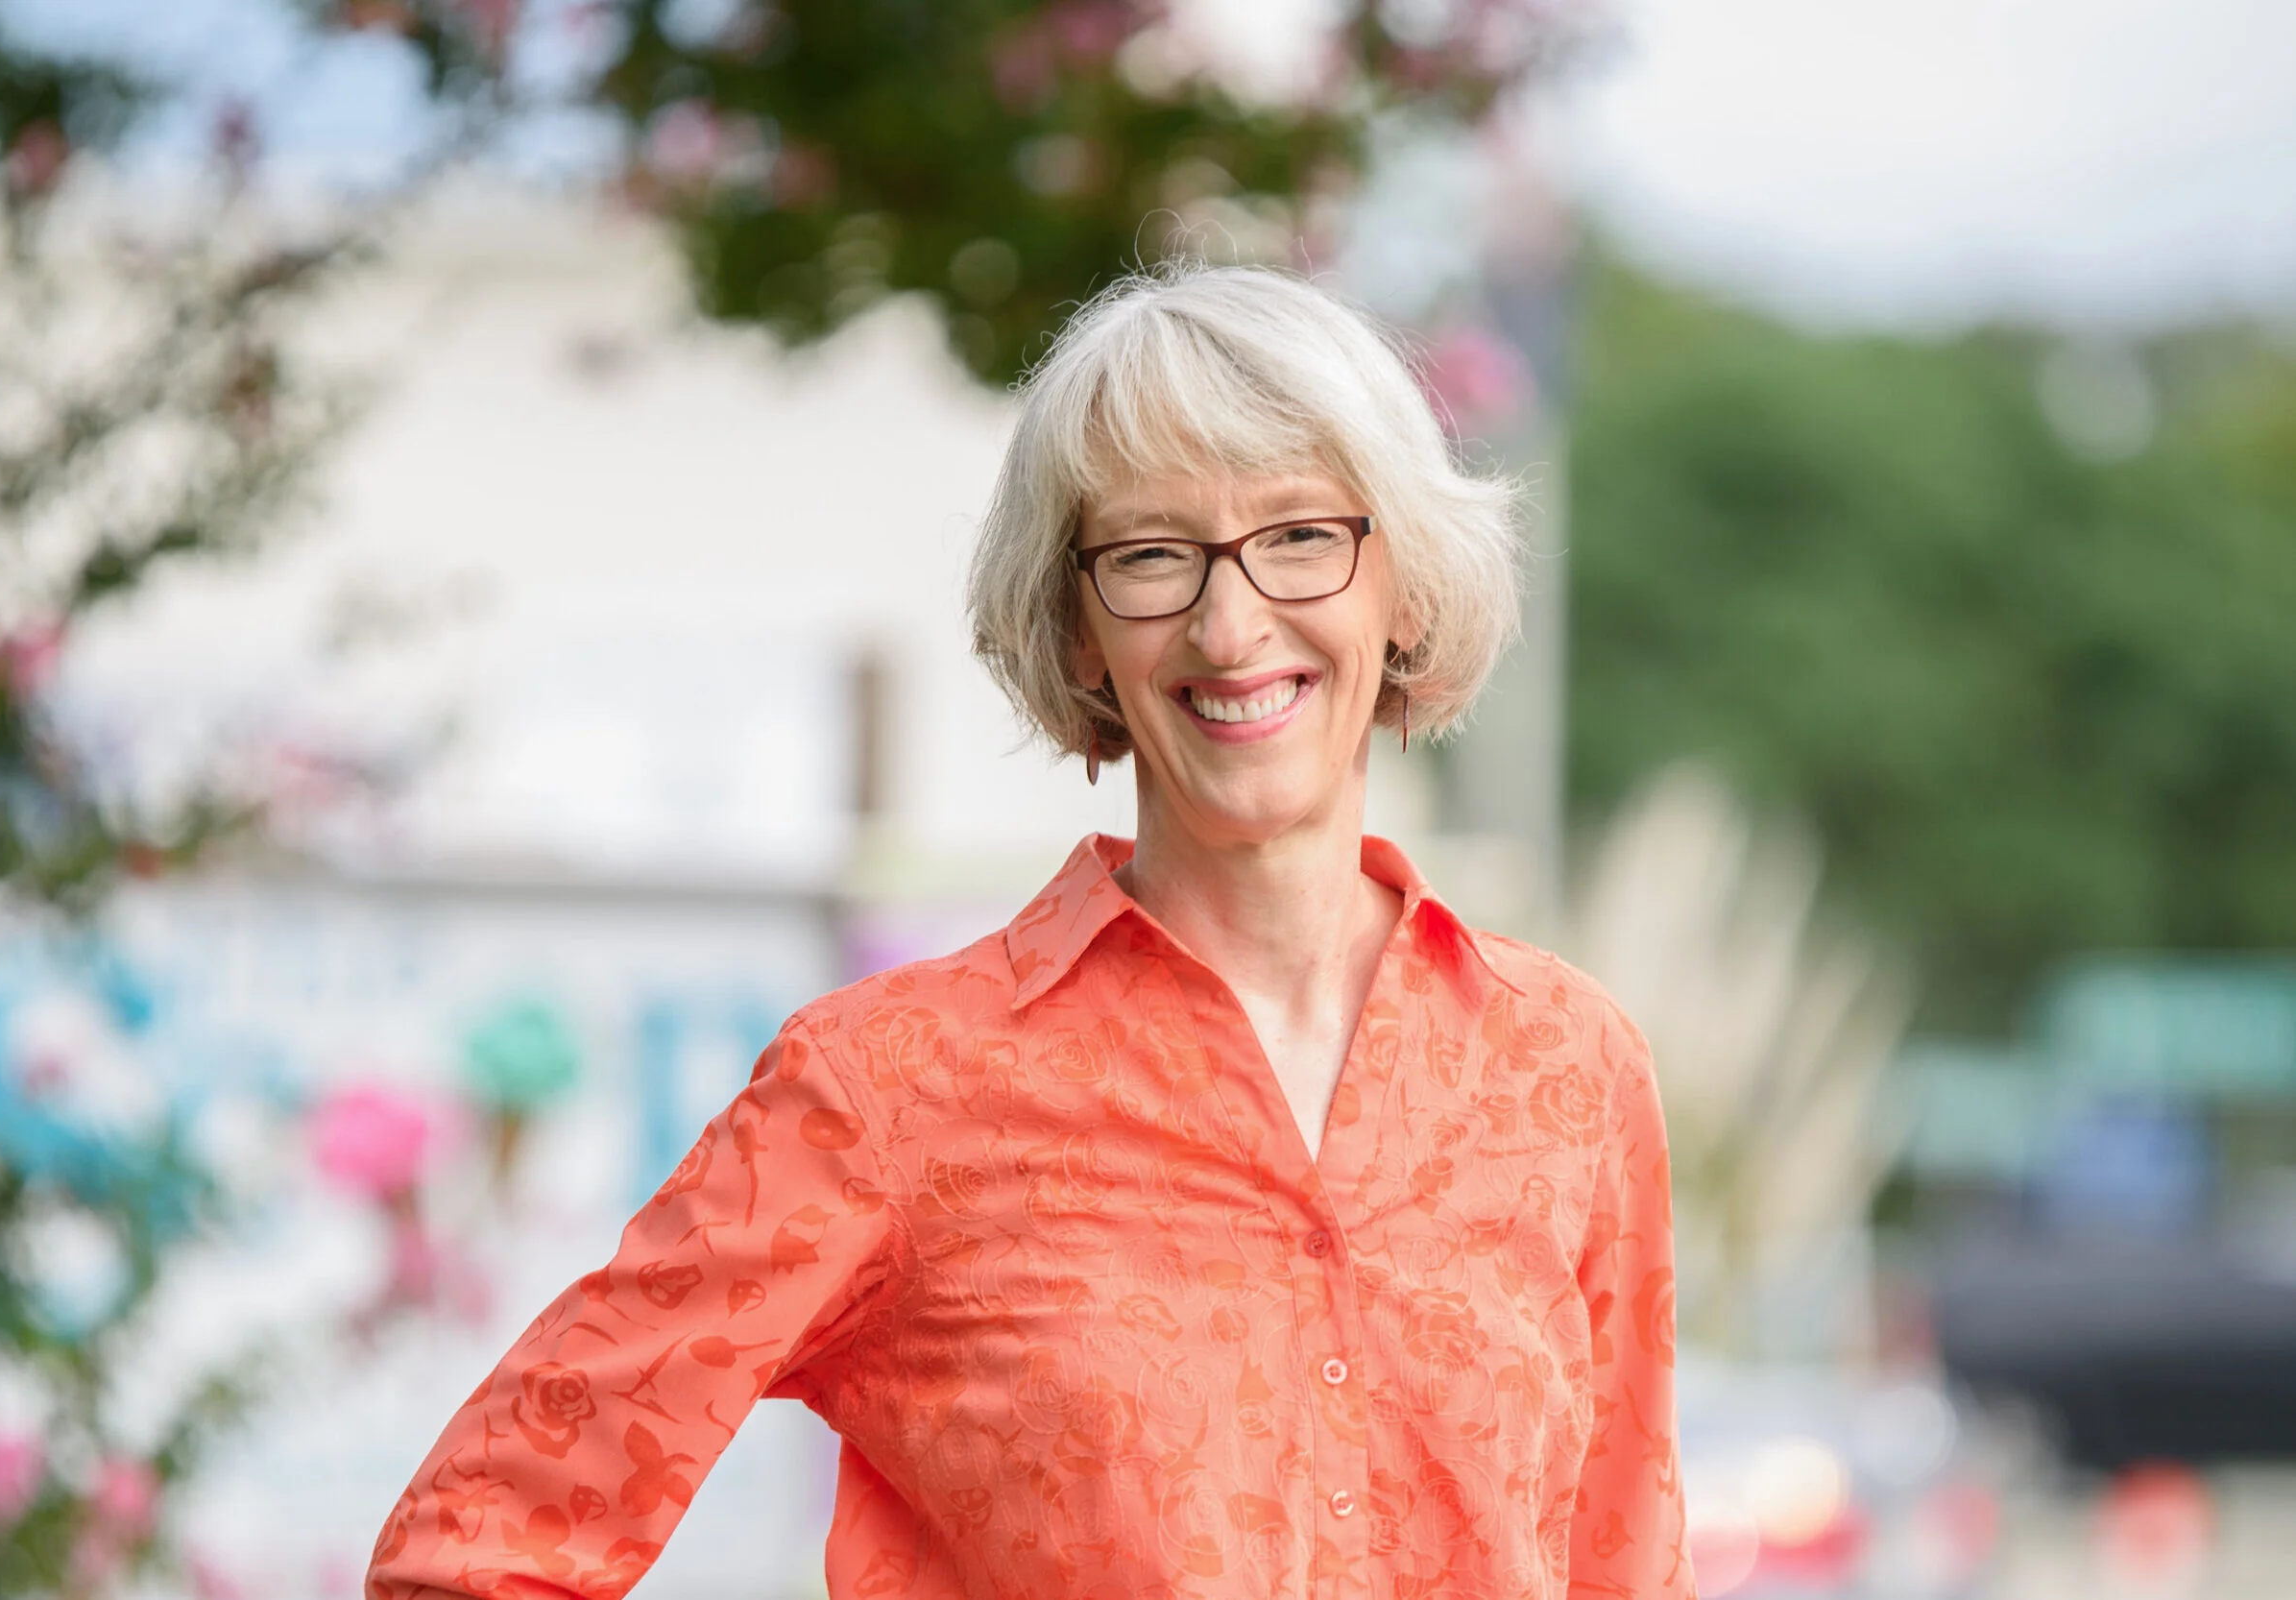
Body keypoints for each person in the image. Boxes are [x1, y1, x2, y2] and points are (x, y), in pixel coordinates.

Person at [366, 263, 1692, 1600]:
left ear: (1403, 583)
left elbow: (1627, 1567)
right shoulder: (887, 1090)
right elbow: (477, 1547)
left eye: (1301, 536)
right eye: (1152, 555)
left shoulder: (1567, 1065)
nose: (1231, 625)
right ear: (1078, 631)